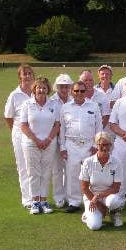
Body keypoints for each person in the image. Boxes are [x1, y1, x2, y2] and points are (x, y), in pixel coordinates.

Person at [59, 81, 103, 213]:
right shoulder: (65, 107)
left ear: (86, 92)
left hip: (89, 145)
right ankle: (74, 202)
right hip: (71, 144)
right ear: (72, 92)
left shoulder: (93, 106)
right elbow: (61, 128)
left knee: (90, 174)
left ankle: (91, 199)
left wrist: (96, 145)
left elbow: (99, 127)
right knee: (72, 174)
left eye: (82, 91)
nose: (79, 93)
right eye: (76, 91)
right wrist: (62, 147)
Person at [20, 77, 61, 214]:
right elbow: (24, 126)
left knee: (46, 172)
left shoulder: (54, 104)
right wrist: (37, 140)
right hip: (31, 144)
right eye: (39, 87)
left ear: (47, 90)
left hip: (49, 143)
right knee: (33, 173)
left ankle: (43, 201)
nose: (41, 90)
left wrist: (48, 139)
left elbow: (57, 125)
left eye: (44, 88)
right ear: (34, 89)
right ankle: (35, 202)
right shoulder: (27, 104)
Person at [80, 132, 124, 230]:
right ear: (97, 145)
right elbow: (84, 188)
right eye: (102, 145)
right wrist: (98, 204)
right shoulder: (88, 162)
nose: (105, 148)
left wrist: (98, 196)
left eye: (107, 144)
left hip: (108, 196)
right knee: (95, 226)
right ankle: (88, 215)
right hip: (91, 197)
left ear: (111, 145)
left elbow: (116, 188)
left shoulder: (117, 162)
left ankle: (115, 213)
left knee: (114, 201)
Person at [4, 64, 33, 208]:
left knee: (34, 168)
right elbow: (8, 117)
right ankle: (27, 199)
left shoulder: (37, 92)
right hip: (20, 136)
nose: (27, 76)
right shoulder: (14, 95)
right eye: (25, 74)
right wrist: (17, 132)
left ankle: (37, 198)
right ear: (20, 76)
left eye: (29, 73)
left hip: (35, 137)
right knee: (23, 167)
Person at [50, 74, 73, 208]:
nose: (64, 89)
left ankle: (70, 197)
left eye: (66, 86)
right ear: (57, 87)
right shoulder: (51, 101)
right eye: (61, 87)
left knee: (70, 170)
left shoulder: (73, 100)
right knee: (57, 170)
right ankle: (59, 197)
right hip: (55, 141)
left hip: (70, 142)